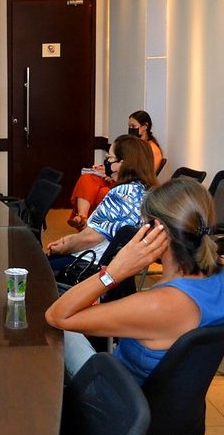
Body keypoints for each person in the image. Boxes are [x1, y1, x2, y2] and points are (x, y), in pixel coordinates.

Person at [46, 178, 224, 384]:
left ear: (156, 229)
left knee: (63, 334)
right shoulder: (218, 278)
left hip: (119, 396)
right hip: (175, 398)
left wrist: (113, 272)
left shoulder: (159, 303)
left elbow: (57, 316)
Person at [47, 135, 159, 270]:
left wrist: (63, 247)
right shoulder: (148, 193)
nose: (106, 161)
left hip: (90, 264)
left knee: (39, 267)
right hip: (118, 266)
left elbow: (90, 238)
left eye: (110, 158)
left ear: (121, 164)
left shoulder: (121, 194)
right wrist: (65, 241)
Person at [68, 110, 163, 230]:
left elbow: (143, 173)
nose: (130, 129)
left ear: (145, 126)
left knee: (101, 192)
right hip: (119, 176)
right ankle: (82, 216)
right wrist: (106, 170)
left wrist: (116, 174)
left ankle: (92, 225)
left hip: (127, 181)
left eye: (133, 126)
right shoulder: (132, 143)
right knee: (87, 178)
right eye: (129, 126)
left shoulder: (151, 149)